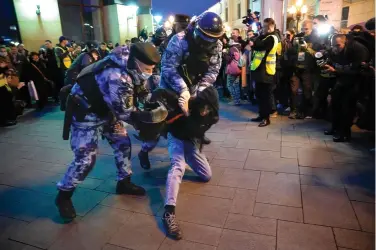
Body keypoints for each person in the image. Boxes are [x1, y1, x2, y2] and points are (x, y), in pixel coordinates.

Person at [56, 43, 162, 221]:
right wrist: (147, 122)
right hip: (86, 112)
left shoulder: (134, 67)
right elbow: (125, 112)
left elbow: (141, 91)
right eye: (147, 69)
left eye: (152, 69)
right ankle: (63, 195)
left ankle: (124, 182)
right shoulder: (117, 75)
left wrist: (155, 103)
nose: (149, 73)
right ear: (136, 63)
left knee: (123, 143)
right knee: (85, 159)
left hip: (107, 109)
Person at [159, 11, 223, 240]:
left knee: (206, 175)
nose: (208, 43)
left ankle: (188, 146)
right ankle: (169, 210)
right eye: (205, 38)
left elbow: (213, 72)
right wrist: (182, 91)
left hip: (193, 91)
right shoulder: (179, 40)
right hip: (171, 88)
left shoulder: (216, 45)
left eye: (212, 39)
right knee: (177, 161)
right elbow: (167, 69)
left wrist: (195, 93)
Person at [324, 34, 369, 142]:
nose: (335, 48)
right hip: (340, 81)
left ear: (346, 42)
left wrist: (336, 71)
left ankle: (344, 133)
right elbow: (333, 62)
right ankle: (335, 128)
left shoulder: (358, 50)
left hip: (353, 83)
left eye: (338, 45)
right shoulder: (337, 51)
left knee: (347, 109)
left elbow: (357, 71)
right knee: (335, 105)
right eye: (333, 46)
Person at [249, 18, 279, 127]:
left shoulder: (272, 37)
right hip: (260, 70)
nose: (264, 29)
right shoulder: (265, 36)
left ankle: (266, 118)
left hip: (266, 71)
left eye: (266, 27)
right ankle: (261, 115)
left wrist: (254, 42)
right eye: (264, 26)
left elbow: (259, 46)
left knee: (265, 96)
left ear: (272, 26)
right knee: (259, 94)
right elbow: (257, 43)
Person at [289, 20, 320, 119]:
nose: (304, 30)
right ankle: (293, 110)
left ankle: (305, 111)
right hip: (296, 67)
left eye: (306, 29)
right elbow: (291, 51)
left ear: (311, 28)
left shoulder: (316, 38)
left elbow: (318, 53)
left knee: (307, 90)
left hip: (308, 69)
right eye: (302, 28)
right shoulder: (297, 36)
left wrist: (307, 48)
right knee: (293, 90)